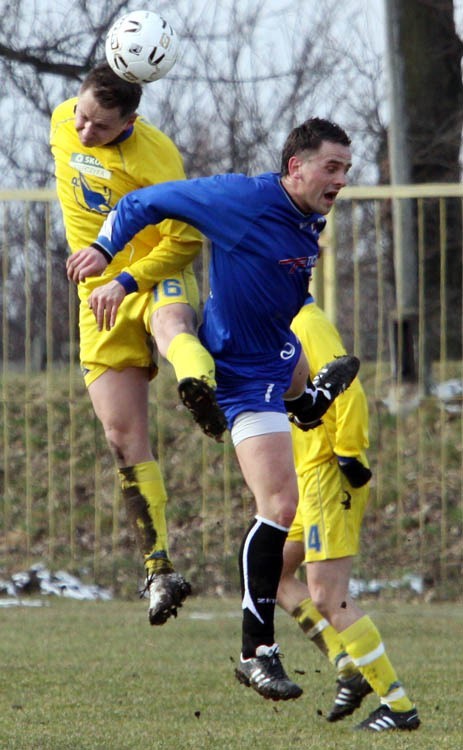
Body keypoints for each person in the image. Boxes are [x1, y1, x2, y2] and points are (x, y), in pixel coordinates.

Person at [66, 117, 360, 701]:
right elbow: (151, 200)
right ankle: (257, 652)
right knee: (279, 504)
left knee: (297, 364)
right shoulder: (241, 199)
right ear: (294, 167)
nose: (342, 180)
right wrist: (109, 256)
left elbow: (278, 292)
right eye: (333, 167)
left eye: (347, 170)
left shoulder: (308, 218)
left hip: (276, 357)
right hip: (242, 376)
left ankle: (308, 401)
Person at [50, 63, 227, 628]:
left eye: (99, 126)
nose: (83, 132)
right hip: (97, 298)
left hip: (148, 276)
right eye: (81, 116)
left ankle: (200, 386)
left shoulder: (156, 158)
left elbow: (186, 240)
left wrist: (128, 278)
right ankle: (160, 567)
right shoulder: (63, 121)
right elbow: (78, 127)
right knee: (122, 437)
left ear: (131, 120)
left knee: (174, 326)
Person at [277, 294, 420, 731]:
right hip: (306, 477)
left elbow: (347, 386)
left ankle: (398, 706)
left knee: (327, 597)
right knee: (270, 572)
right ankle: (347, 664)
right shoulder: (278, 327)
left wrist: (349, 453)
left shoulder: (306, 322)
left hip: (326, 472)